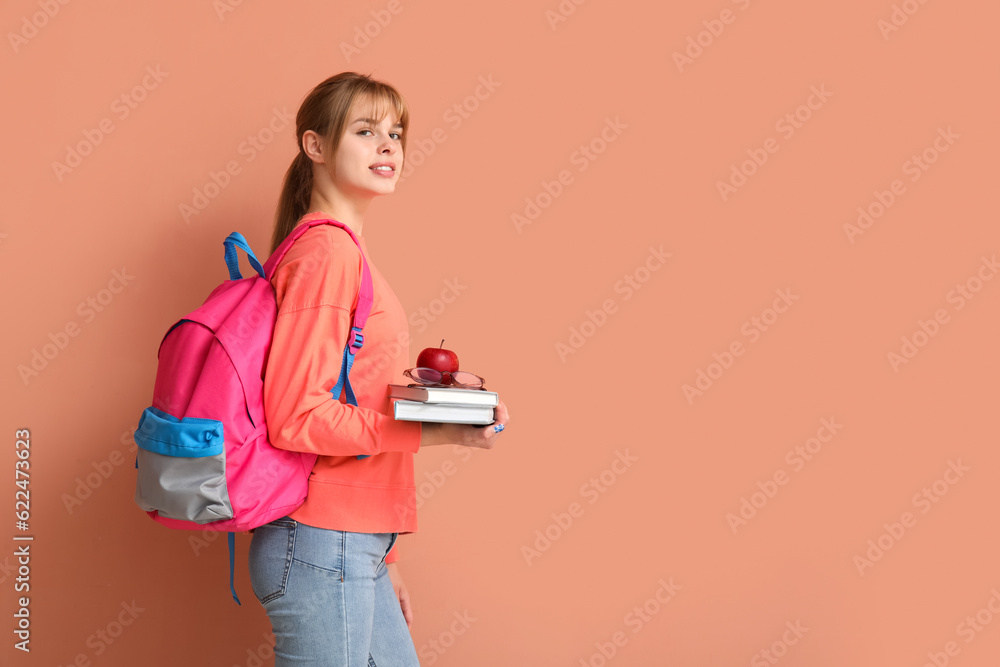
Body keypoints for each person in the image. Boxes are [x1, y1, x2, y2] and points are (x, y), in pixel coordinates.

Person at [247, 71, 510, 666]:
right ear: (315, 146)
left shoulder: (340, 250)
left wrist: (382, 557)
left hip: (348, 543)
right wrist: (430, 429)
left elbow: (350, 388)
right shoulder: (328, 253)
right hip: (320, 542)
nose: (388, 145)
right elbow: (296, 417)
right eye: (366, 131)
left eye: (395, 132)